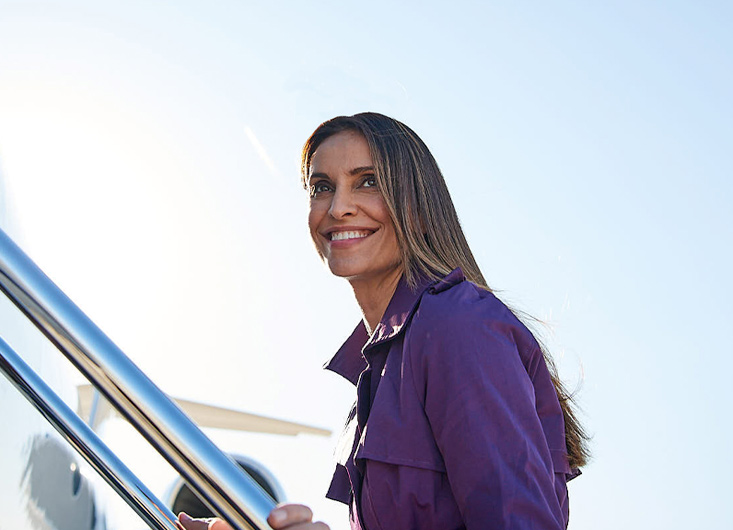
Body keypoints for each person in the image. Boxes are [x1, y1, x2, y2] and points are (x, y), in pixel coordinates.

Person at [178, 112, 588, 530]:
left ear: (419, 206)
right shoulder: (379, 372)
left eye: (368, 181)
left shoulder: (457, 325)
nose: (338, 208)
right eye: (322, 188)